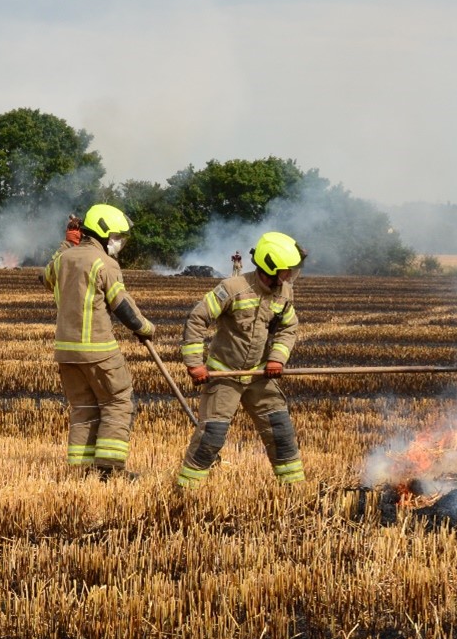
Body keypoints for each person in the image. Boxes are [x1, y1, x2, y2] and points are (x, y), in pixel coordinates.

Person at [176, 232, 306, 489]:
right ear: (269, 267)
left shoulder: (284, 293)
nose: (290, 276)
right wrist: (194, 363)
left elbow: (288, 328)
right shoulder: (232, 288)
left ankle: (295, 490)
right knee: (211, 436)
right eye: (286, 271)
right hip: (225, 375)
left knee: (280, 431)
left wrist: (277, 359)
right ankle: (186, 491)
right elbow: (198, 318)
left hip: (259, 376)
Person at [41, 203, 156, 477]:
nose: (119, 244)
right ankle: (110, 470)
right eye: (117, 237)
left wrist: (65, 245)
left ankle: (80, 472)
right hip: (98, 349)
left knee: (83, 409)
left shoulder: (63, 259)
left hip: (66, 352)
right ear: (104, 234)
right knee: (118, 402)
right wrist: (146, 328)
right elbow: (123, 306)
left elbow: (45, 278)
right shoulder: (105, 263)